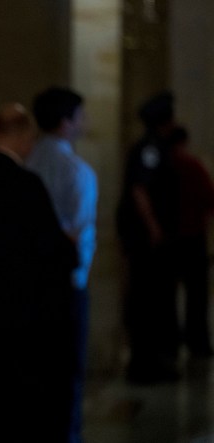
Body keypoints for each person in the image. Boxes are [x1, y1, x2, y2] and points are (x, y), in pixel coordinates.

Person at [0, 103, 78, 442]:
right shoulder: (27, 185)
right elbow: (58, 254)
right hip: (31, 323)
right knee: (28, 410)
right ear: (23, 137)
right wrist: (69, 244)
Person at [27, 86, 97, 443]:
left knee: (35, 378)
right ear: (67, 122)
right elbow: (78, 234)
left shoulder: (26, 162)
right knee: (67, 376)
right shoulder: (76, 170)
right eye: (80, 115)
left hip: (28, 287)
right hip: (67, 286)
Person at [116, 92, 181, 383]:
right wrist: (154, 228)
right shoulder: (150, 149)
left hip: (151, 239)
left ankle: (155, 360)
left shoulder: (155, 147)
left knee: (156, 299)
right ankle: (145, 363)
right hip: (147, 242)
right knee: (148, 300)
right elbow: (140, 190)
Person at [170, 125, 214, 358]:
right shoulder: (191, 166)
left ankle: (171, 341)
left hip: (170, 240)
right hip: (191, 238)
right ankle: (197, 342)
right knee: (196, 296)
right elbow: (210, 199)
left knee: (167, 296)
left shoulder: (167, 166)